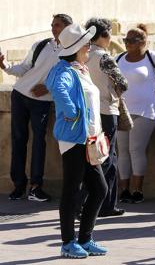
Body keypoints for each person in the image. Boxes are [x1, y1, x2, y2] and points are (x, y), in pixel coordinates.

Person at [46, 24, 108, 259]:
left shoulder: (79, 68)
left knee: (100, 189)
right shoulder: (64, 70)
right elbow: (57, 88)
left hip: (88, 139)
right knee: (72, 191)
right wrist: (71, 112)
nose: (89, 47)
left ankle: (85, 239)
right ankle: (68, 242)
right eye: (86, 44)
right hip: (74, 139)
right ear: (77, 48)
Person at [1, 14, 73, 202]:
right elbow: (24, 68)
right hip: (20, 95)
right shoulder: (41, 45)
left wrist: (48, 87)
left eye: (56, 25)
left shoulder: (71, 51)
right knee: (18, 140)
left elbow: (72, 77)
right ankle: (18, 185)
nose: (53, 28)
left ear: (67, 28)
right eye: (52, 25)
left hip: (42, 102)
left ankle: (35, 187)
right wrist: (5, 66)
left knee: (39, 142)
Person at [116, 24, 155, 204]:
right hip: (122, 111)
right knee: (123, 152)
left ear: (143, 42)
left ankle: (137, 190)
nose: (127, 44)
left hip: (145, 111)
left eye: (131, 41)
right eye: (125, 40)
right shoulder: (119, 58)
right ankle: (123, 190)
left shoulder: (151, 57)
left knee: (136, 149)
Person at [83, 18, 128, 217]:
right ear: (102, 36)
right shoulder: (104, 57)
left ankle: (105, 204)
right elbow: (123, 83)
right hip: (106, 111)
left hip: (88, 110)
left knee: (97, 156)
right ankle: (90, 202)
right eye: (109, 34)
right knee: (106, 157)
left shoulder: (82, 54)